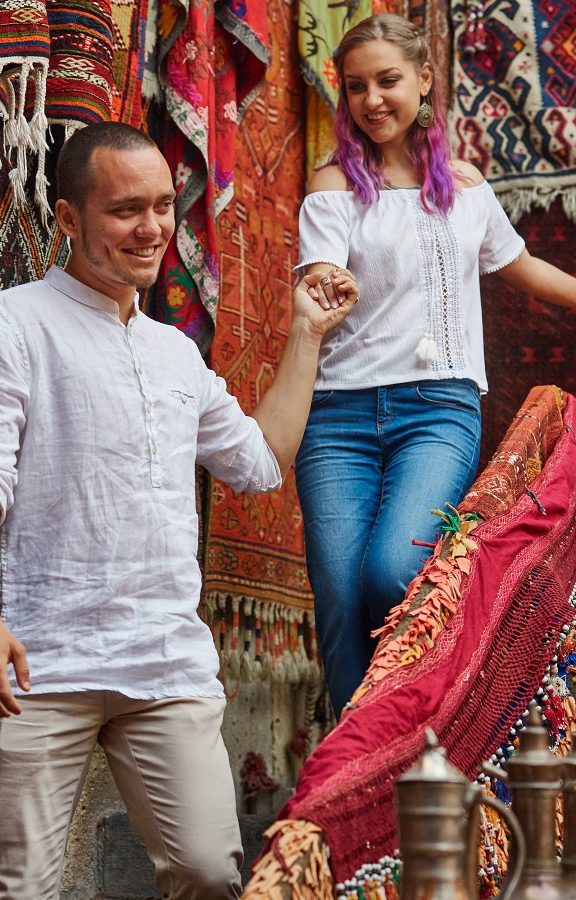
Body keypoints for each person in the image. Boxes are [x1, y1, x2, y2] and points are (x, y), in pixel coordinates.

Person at [0, 121, 358, 899]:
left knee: (208, 872)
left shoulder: (174, 354)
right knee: (15, 889)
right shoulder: (13, 322)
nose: (154, 228)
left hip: (165, 660)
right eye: (127, 209)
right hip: (38, 659)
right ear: (68, 218)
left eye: (164, 205)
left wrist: (304, 332)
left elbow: (260, 462)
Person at [293, 13, 576, 720]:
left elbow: (525, 268)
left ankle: (416, 731)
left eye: (388, 81)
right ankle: (351, 779)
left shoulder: (468, 191)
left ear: (425, 80)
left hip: (437, 410)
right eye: (355, 87)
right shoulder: (333, 185)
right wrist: (330, 282)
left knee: (393, 573)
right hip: (336, 416)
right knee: (336, 594)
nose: (372, 100)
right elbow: (319, 269)